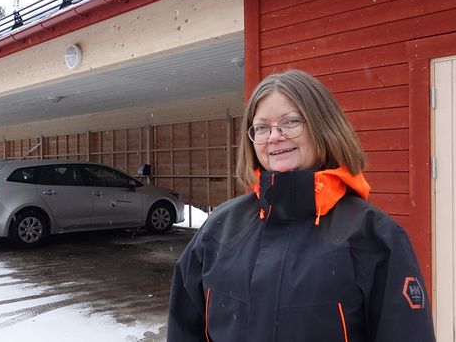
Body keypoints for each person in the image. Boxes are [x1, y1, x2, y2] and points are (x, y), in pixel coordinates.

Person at [167, 69, 436, 342]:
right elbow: (184, 329)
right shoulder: (219, 228)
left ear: (323, 127)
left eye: (290, 122)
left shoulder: (374, 236)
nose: (274, 136)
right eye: (262, 127)